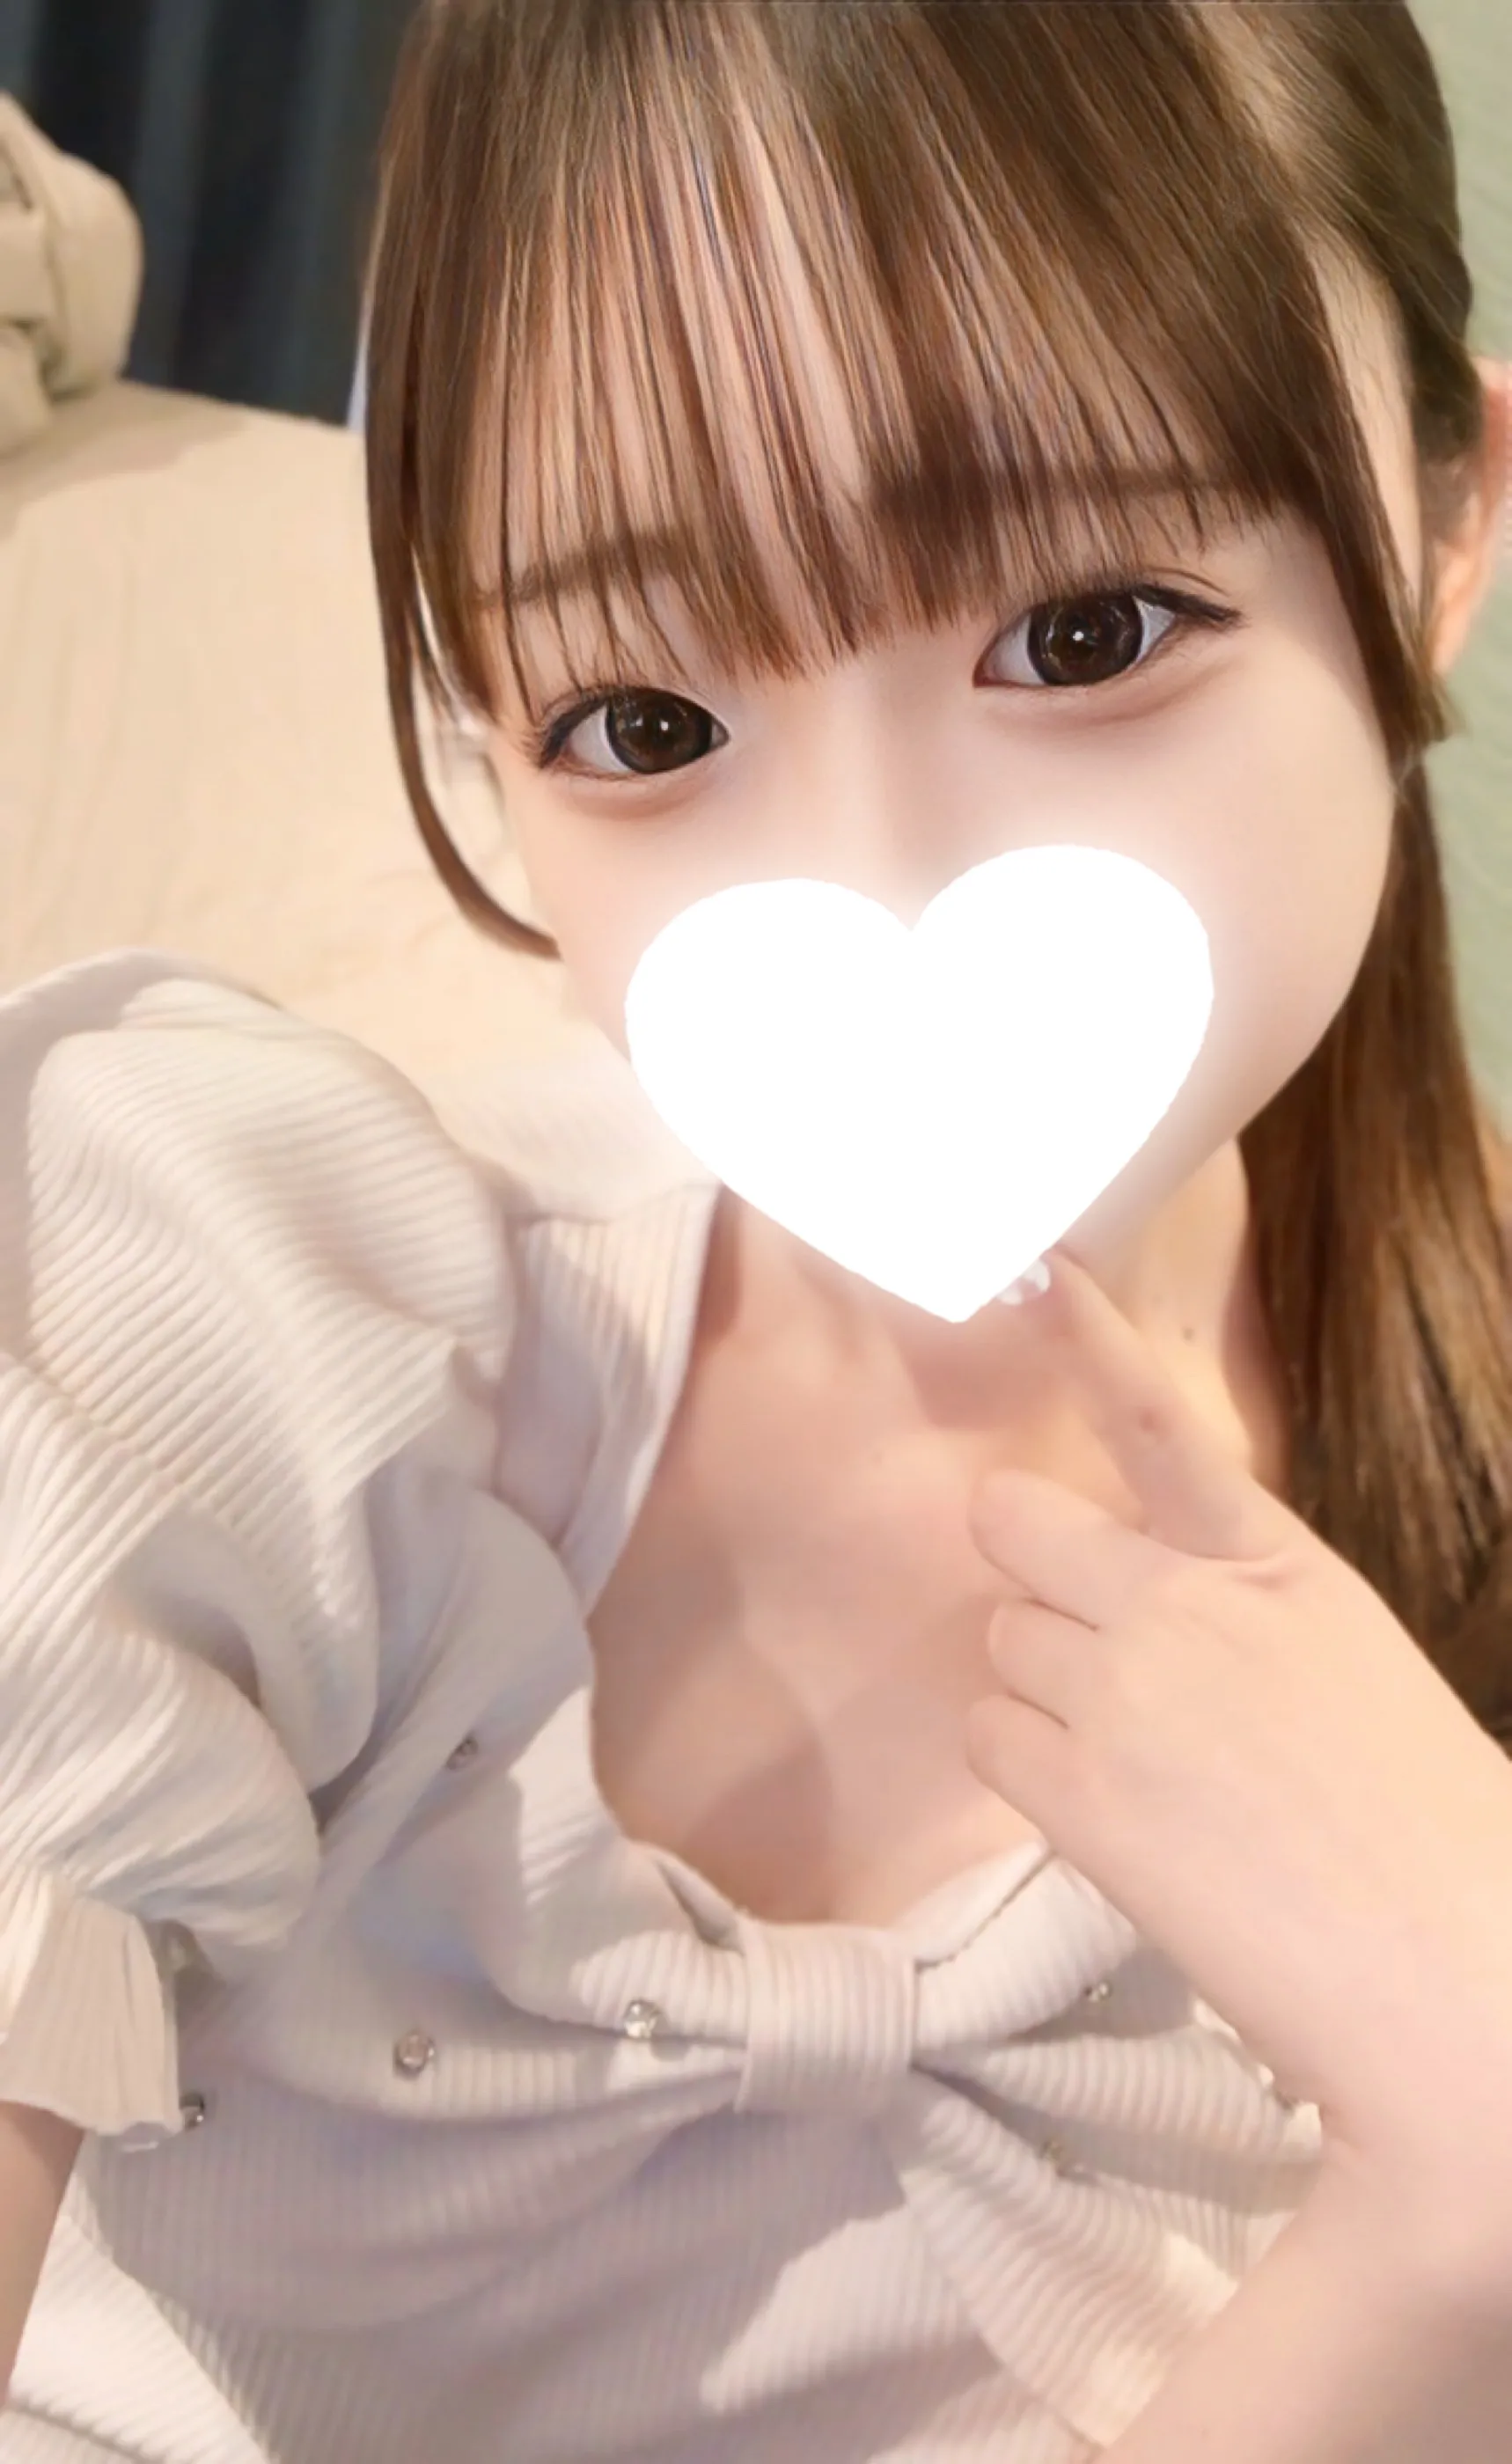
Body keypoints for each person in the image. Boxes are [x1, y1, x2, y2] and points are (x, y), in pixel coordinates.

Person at [3, 3, 1512, 2457]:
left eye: (1086, 630)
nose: (874, 887)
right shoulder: (248, 1319)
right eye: (646, 724)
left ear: (1445, 518)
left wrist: (1464, 2183)